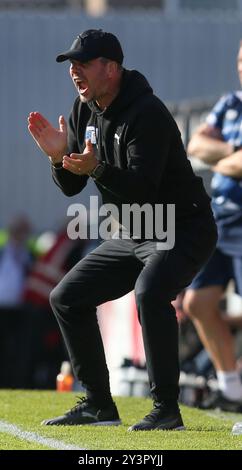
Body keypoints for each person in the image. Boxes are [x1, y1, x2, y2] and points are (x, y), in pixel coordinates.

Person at [28, 28, 217, 430]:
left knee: (151, 293)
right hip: (135, 230)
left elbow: (143, 186)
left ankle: (166, 410)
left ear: (111, 68)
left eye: (82, 64)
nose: (74, 72)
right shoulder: (83, 109)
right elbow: (72, 185)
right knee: (66, 297)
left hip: (183, 226)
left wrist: (93, 166)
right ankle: (99, 405)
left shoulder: (146, 111)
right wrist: (58, 157)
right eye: (71, 65)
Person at [183, 41, 242, 412]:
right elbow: (195, 145)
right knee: (198, 303)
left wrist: (221, 157)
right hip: (221, 218)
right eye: (239, 59)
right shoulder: (231, 103)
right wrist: (231, 153)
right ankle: (231, 388)